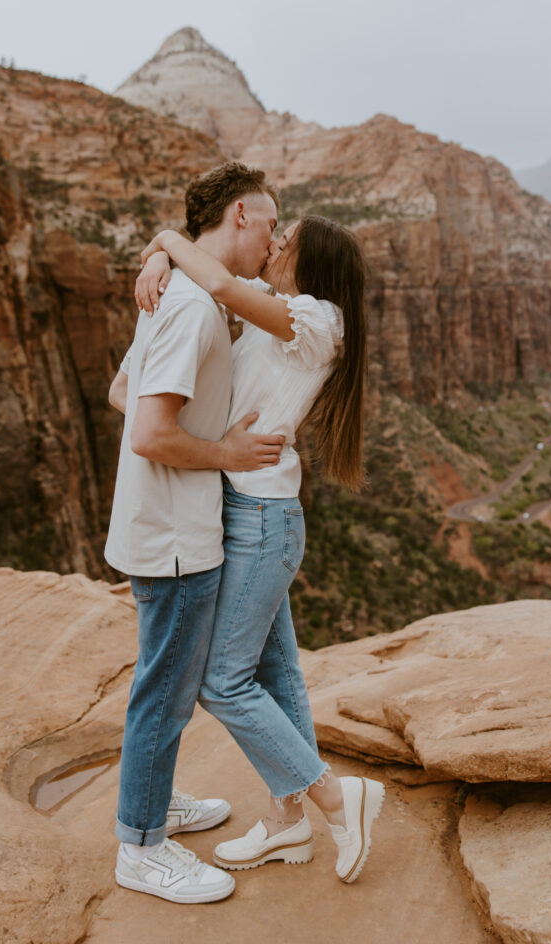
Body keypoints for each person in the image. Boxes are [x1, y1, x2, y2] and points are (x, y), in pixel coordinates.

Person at [135, 212, 385, 886]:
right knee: (276, 675)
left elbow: (217, 277)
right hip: (242, 511)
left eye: (288, 240)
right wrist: (160, 263)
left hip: (261, 519)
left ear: (313, 263)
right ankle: (286, 822)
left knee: (223, 681)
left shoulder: (317, 321)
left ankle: (333, 795)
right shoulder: (287, 312)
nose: (274, 244)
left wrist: (162, 240)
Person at [105, 162, 287, 904]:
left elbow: (123, 390)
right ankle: (141, 848)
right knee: (166, 694)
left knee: (166, 685)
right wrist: (222, 453)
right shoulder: (190, 309)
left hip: (161, 523)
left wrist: (159, 250)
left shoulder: (174, 294)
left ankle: (154, 801)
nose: (275, 237)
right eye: (271, 222)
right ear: (240, 214)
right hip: (177, 535)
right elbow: (150, 431)